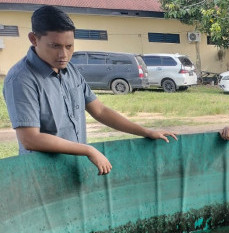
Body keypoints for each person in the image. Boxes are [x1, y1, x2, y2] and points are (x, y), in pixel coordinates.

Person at [2, 6, 177, 176]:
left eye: (69, 46)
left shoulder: (70, 70)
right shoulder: (21, 79)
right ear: (34, 39)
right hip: (42, 174)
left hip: (73, 168)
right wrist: (87, 150)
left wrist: (146, 132)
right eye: (55, 46)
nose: (63, 54)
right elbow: (30, 139)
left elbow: (100, 110)